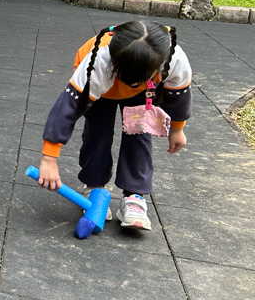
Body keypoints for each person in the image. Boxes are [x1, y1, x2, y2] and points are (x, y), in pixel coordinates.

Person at [36, 20, 192, 230]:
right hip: (101, 86)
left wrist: (177, 128)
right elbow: (67, 108)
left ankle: (134, 196)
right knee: (98, 133)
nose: (131, 83)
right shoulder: (98, 62)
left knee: (138, 133)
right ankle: (94, 186)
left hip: (145, 89)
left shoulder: (173, 59)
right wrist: (49, 158)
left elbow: (178, 97)